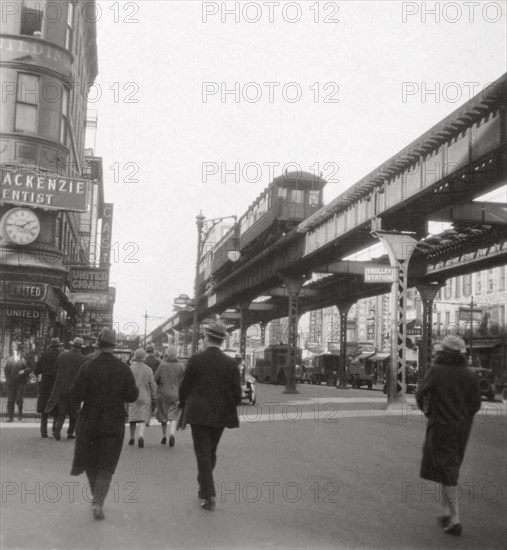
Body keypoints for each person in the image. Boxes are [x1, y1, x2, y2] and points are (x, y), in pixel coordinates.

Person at [69, 327, 138, 520]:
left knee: (90, 462)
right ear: (114, 346)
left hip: (89, 421)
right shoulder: (123, 368)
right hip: (113, 421)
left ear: (98, 344)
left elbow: (75, 394)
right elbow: (132, 395)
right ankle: (99, 502)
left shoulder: (88, 366)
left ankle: (95, 496)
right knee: (107, 465)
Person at [416, 335, 481, 537]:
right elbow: (476, 404)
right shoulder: (470, 375)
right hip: (461, 428)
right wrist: (462, 417)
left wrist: (429, 412)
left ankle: (455, 519)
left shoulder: (436, 371)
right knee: (449, 468)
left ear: (443, 353)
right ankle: (446, 514)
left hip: (441, 426)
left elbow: (420, 394)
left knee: (447, 470)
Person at [178, 321, 242, 511]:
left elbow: (185, 387)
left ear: (206, 338)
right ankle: (204, 484)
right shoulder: (231, 363)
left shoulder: (196, 360)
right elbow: (237, 394)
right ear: (222, 341)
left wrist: (183, 402)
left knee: (202, 452)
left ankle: (207, 491)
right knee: (211, 450)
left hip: (198, 412)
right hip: (220, 413)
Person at [45, 337, 87, 440]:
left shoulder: (62, 355)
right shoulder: (82, 359)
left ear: (72, 345)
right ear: (80, 347)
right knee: (75, 413)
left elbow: (55, 372)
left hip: (61, 388)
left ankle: (57, 432)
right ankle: (70, 433)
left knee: (62, 412)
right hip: (75, 390)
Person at [154, 346, 185, 447]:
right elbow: (185, 380)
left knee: (163, 414)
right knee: (173, 416)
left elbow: (156, 378)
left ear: (167, 354)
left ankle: (164, 436)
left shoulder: (162, 365)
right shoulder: (181, 366)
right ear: (177, 354)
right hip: (176, 393)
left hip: (163, 393)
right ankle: (172, 434)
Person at [127, 348, 157, 448]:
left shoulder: (130, 368)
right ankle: (140, 436)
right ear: (144, 358)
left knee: (133, 418)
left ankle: (132, 437)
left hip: (133, 396)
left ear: (135, 357)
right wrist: (154, 397)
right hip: (144, 396)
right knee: (142, 418)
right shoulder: (148, 369)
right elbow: (152, 385)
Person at [34, 337, 62, 437]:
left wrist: (41, 374)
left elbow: (36, 369)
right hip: (56, 384)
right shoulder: (60, 355)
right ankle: (55, 430)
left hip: (45, 384)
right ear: (59, 346)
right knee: (56, 408)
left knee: (44, 409)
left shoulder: (44, 355)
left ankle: (43, 432)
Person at [4, 343, 33, 422]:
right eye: (15, 350)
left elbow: (31, 367)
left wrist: (24, 371)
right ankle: (10, 416)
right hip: (12, 382)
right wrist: (8, 379)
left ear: (20, 351)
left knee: (19, 399)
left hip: (21, 382)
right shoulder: (9, 359)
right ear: (13, 350)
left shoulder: (24, 359)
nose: (17, 352)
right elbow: (6, 371)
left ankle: (20, 414)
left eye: (18, 350)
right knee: (10, 399)